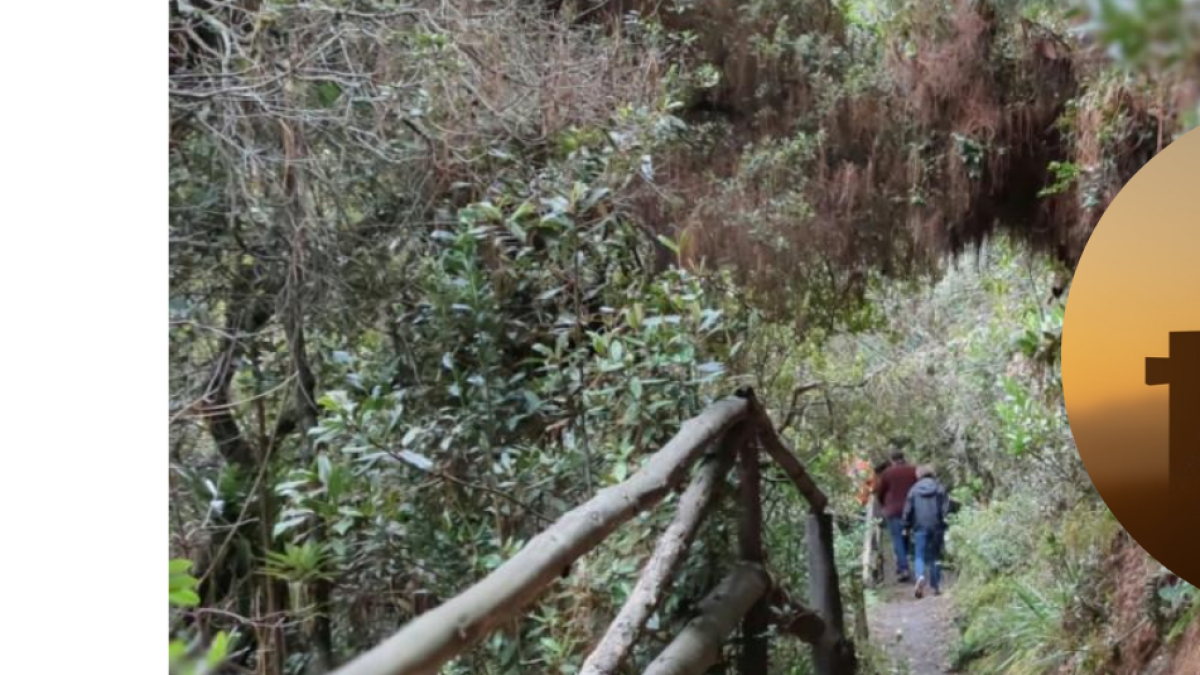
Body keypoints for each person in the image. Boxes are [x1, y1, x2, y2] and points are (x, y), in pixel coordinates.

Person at [904, 464, 950, 598]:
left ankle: (920, 576)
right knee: (936, 555)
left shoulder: (913, 490)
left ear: (918, 475)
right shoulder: (939, 488)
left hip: (920, 526)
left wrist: (906, 525)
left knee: (919, 554)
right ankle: (936, 586)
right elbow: (945, 508)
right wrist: (944, 522)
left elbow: (908, 510)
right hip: (937, 526)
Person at [874, 449, 919, 581]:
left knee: (897, 538)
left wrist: (883, 505)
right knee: (907, 536)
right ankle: (906, 565)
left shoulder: (888, 473)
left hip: (893, 510)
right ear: (903, 457)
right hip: (911, 510)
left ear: (892, 460)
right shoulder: (913, 470)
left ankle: (904, 568)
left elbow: (880, 492)